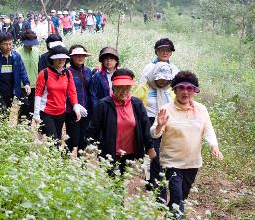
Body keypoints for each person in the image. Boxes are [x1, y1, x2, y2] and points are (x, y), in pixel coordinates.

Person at [151, 71, 223, 217]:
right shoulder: (166, 109)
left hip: (192, 163)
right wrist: (159, 125)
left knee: (181, 198)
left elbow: (207, 129)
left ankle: (169, 216)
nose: (185, 92)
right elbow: (154, 133)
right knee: (177, 198)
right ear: (175, 90)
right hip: (171, 162)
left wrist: (214, 146)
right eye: (181, 88)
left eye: (189, 88)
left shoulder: (201, 109)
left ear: (195, 91)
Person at [87, 68, 156, 175]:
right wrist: (89, 145)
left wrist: (149, 147)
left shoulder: (136, 104)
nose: (124, 90)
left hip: (130, 153)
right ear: (113, 86)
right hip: (109, 152)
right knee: (112, 182)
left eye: (127, 87)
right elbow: (93, 128)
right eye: (120, 87)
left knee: (122, 181)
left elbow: (145, 127)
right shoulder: (103, 105)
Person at [133, 62, 175, 190]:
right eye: (160, 78)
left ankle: (156, 179)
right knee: (153, 153)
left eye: (165, 79)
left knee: (163, 152)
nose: (162, 81)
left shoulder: (170, 91)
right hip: (148, 122)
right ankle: (151, 182)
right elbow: (134, 104)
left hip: (166, 123)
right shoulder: (144, 88)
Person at [33, 46, 82, 141]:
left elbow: (72, 92)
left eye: (63, 58)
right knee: (54, 140)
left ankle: (48, 154)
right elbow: (38, 94)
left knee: (57, 139)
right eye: (58, 58)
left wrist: (76, 107)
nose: (61, 60)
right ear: (52, 59)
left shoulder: (67, 74)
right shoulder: (44, 73)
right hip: (46, 112)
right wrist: (36, 114)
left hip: (60, 113)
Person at [0, 32, 30, 110]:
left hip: (10, 90)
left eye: (10, 44)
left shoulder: (16, 56)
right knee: (1, 111)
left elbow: (22, 70)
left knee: (7, 112)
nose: (8, 47)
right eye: (5, 44)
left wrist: (26, 83)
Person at [65, 45, 92, 156]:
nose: (80, 58)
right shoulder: (67, 72)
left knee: (84, 139)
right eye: (77, 56)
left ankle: (82, 165)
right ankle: (64, 161)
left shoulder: (88, 71)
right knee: (72, 139)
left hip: (86, 111)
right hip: (71, 111)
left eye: (82, 55)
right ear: (72, 57)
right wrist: (74, 105)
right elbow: (65, 92)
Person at [16, 30, 40, 123]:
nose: (30, 45)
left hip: (35, 84)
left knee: (32, 107)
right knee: (24, 105)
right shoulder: (17, 52)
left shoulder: (37, 52)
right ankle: (20, 125)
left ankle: (28, 126)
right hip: (22, 85)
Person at [89, 47, 119, 111]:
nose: (108, 60)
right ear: (102, 61)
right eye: (106, 58)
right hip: (103, 108)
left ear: (116, 61)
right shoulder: (98, 76)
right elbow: (93, 95)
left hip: (118, 108)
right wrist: (96, 110)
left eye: (111, 58)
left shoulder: (121, 74)